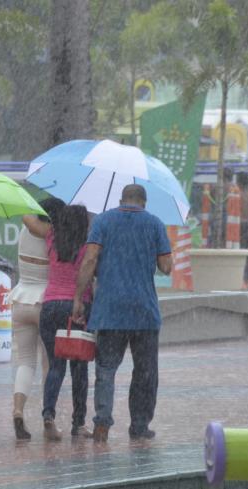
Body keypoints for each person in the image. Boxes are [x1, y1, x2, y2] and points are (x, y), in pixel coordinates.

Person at [72, 184, 173, 443]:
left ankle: (102, 423)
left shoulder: (102, 222)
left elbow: (89, 259)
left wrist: (78, 298)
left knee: (105, 370)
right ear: (144, 202)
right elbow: (166, 266)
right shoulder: (155, 224)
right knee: (145, 372)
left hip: (110, 310)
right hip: (144, 311)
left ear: (121, 200)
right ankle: (139, 425)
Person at [23, 205, 93, 441]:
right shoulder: (89, 245)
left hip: (50, 307)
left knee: (55, 366)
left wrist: (36, 208)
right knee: (79, 369)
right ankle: (78, 423)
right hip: (77, 308)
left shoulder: (52, 235)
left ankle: (48, 415)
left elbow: (28, 219)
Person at [8, 197, 65, 440]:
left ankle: (18, 409)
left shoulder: (26, 230)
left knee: (25, 362)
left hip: (21, 299)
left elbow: (28, 218)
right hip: (45, 302)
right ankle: (47, 418)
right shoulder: (54, 237)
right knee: (49, 365)